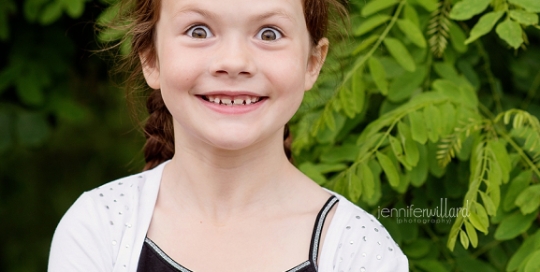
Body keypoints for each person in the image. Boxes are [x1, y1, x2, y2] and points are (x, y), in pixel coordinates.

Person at [48, 0, 409, 271]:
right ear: (151, 59)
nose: (234, 62)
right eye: (198, 31)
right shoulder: (98, 228)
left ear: (312, 63)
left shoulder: (358, 250)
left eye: (269, 33)